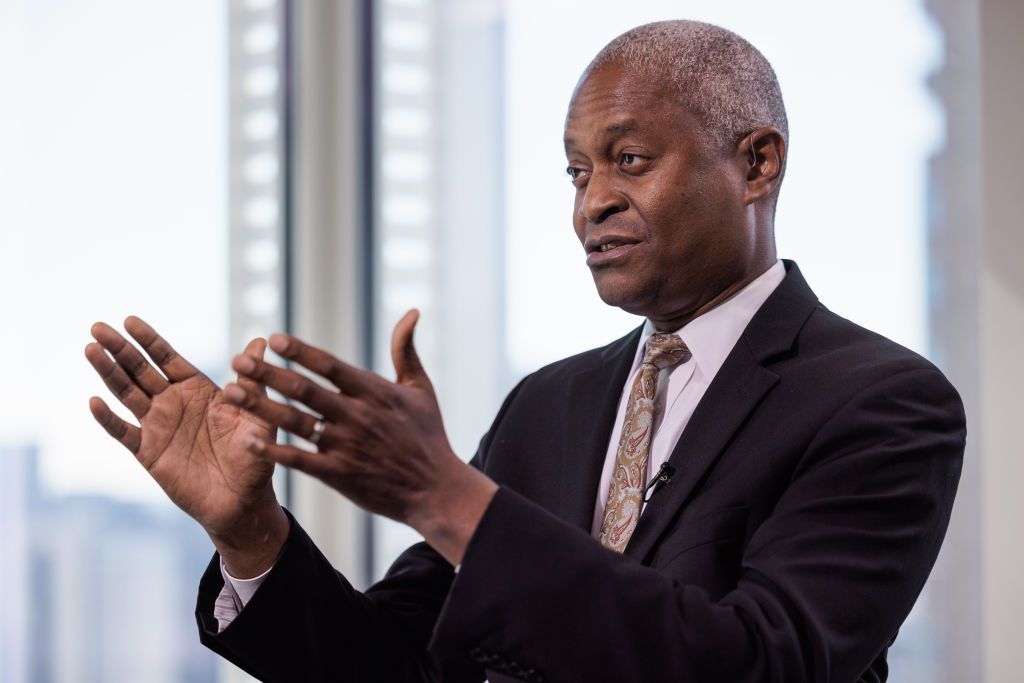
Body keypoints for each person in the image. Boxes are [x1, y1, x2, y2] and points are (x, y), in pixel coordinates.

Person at [85, 20, 965, 683]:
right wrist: (250, 535)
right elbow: (392, 665)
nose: (592, 205)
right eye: (578, 173)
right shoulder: (549, 403)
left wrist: (448, 496)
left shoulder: (883, 403)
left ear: (758, 164)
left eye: (629, 159)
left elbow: (761, 663)